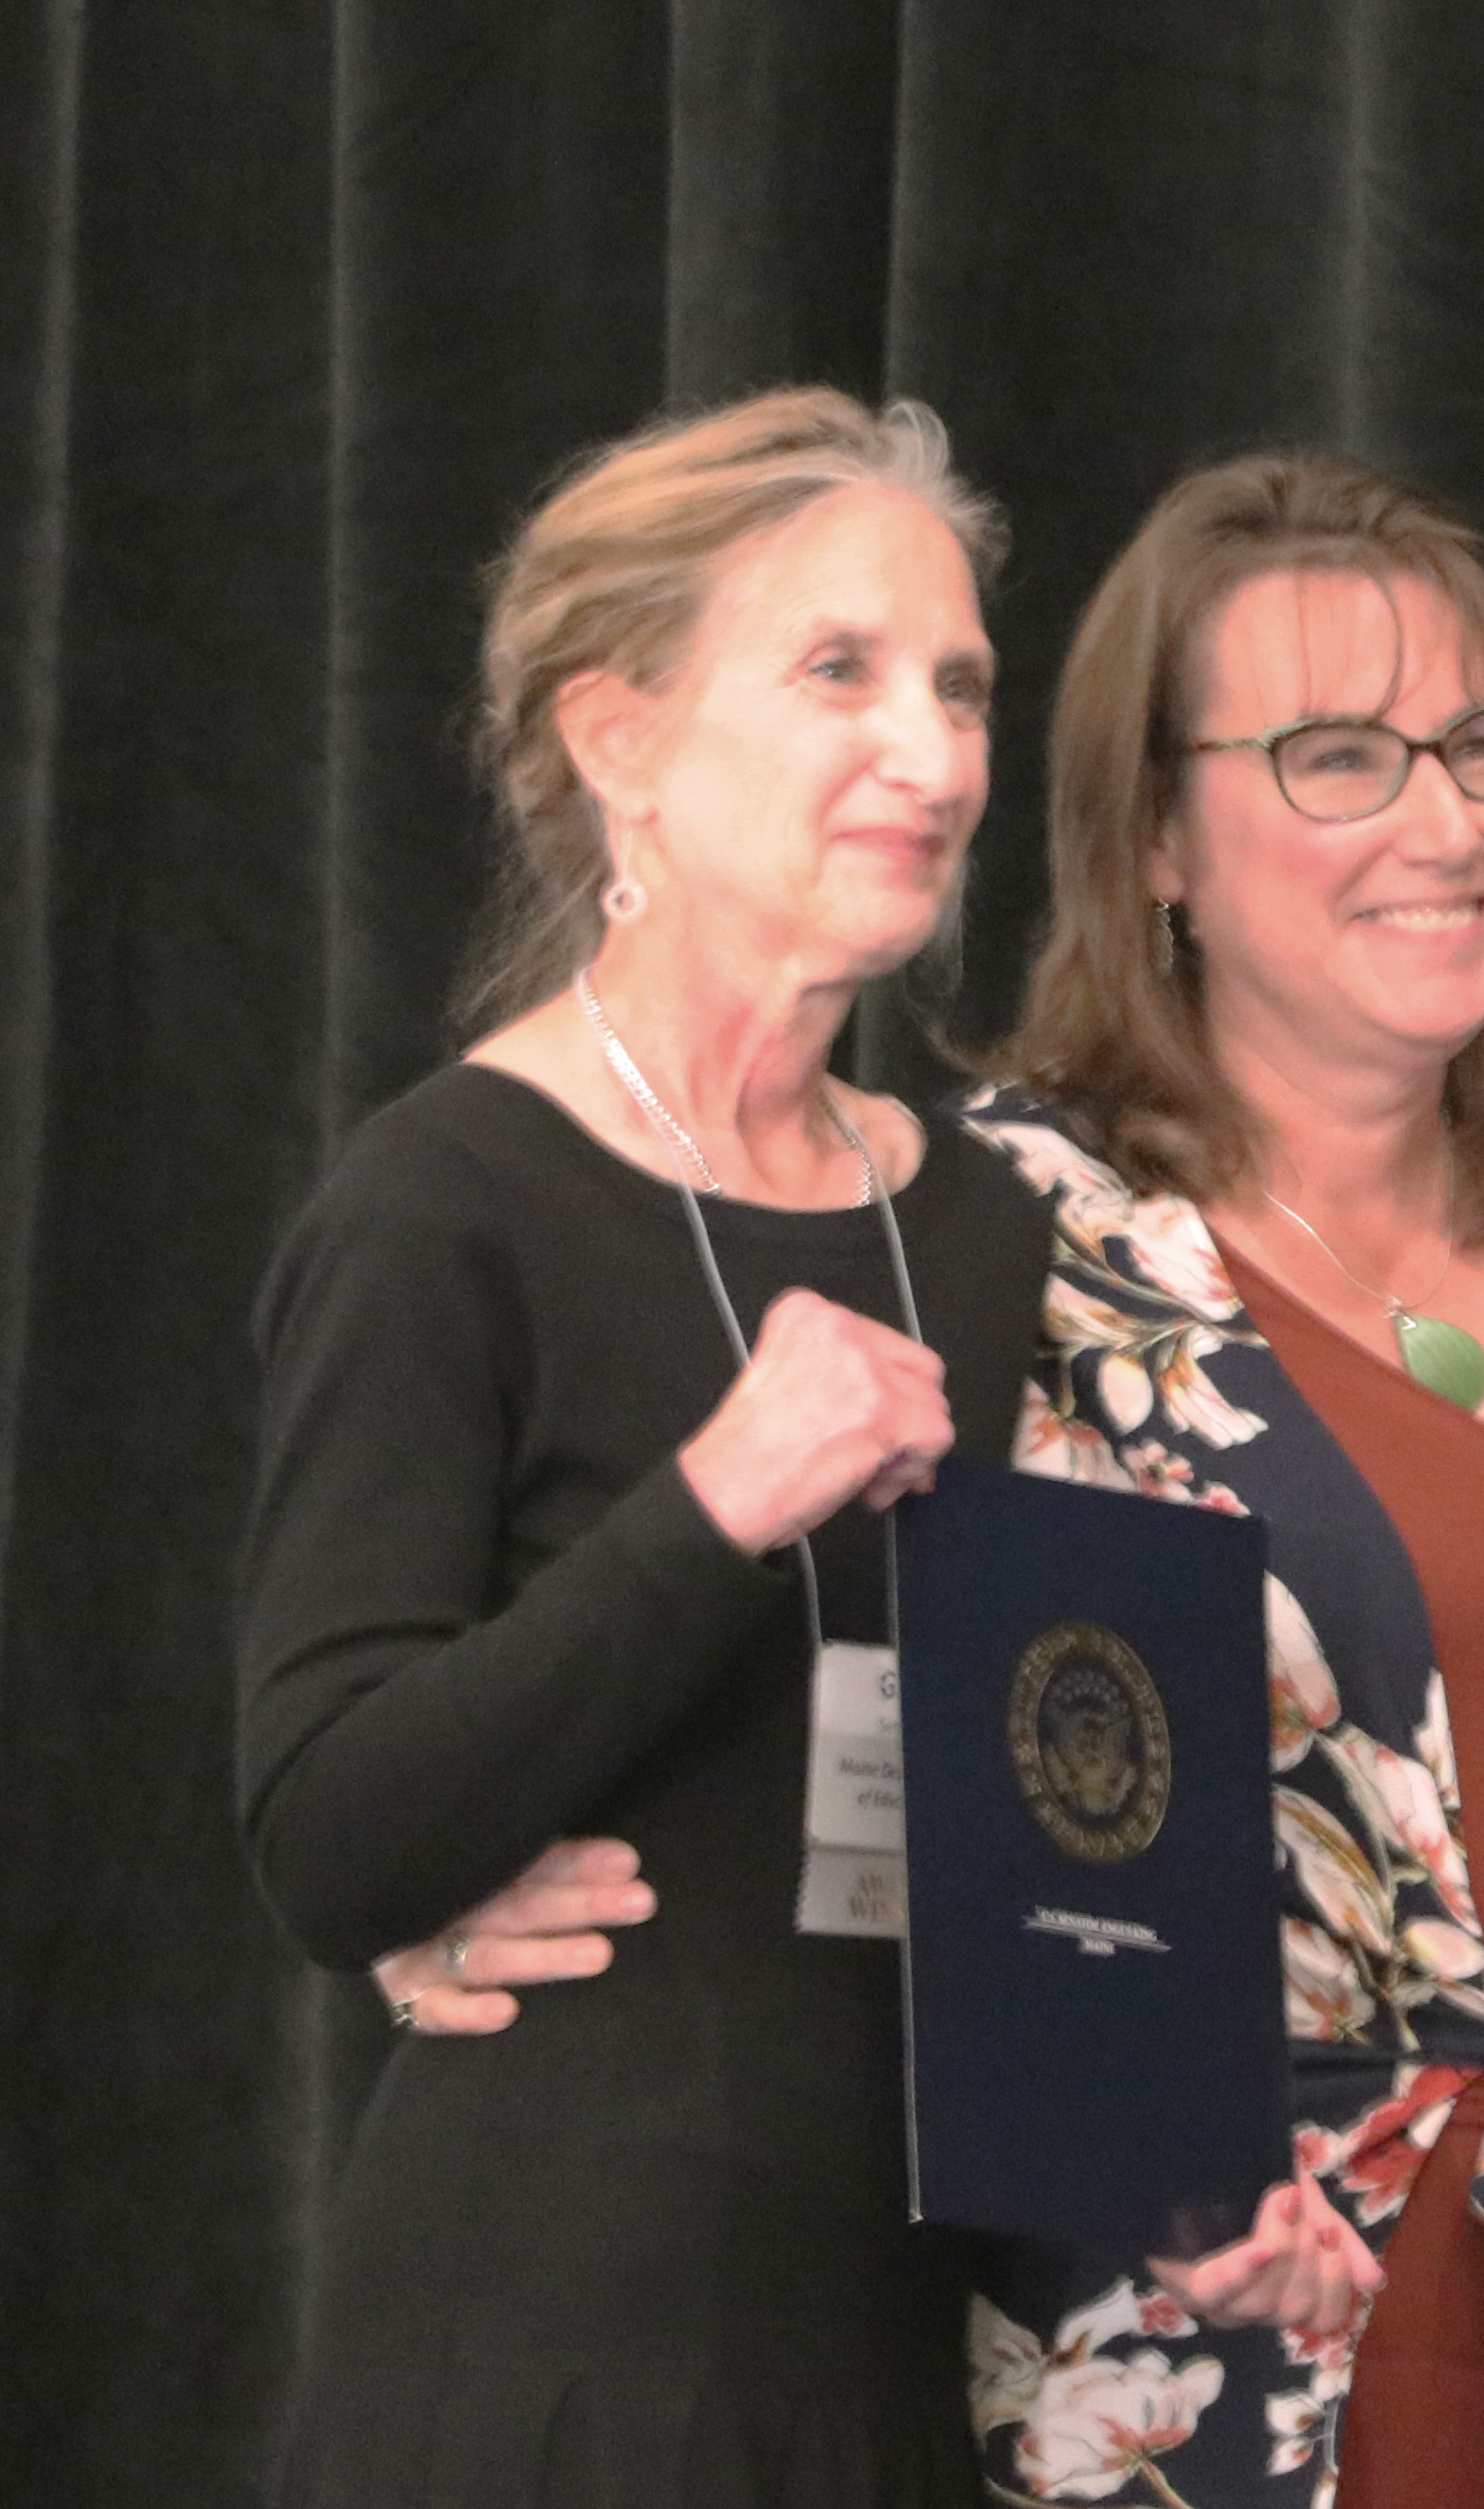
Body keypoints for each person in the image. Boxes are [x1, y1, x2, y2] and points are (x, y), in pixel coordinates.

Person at [949, 448, 1484, 2509]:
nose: (1446, 820)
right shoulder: (1009, 1237)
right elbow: (886, 1788)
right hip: (1229, 2327)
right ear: (1156, 835)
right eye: (1338, 755)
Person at [236, 387, 1052, 2506]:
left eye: (961, 685)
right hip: (556, 2380)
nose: (941, 755)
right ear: (620, 741)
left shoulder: (986, 1221)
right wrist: (717, 1500)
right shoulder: (447, 1201)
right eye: (841, 674)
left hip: (896, 2375)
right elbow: (330, 1832)